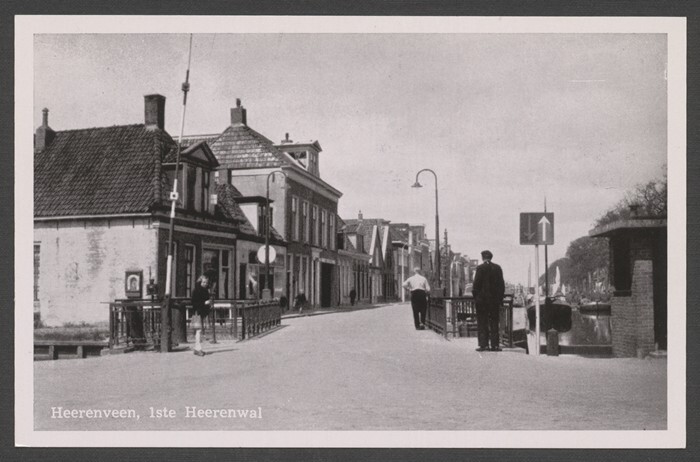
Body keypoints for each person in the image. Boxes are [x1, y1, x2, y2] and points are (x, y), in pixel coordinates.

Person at [472, 250, 505, 352]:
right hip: (494, 301)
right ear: (491, 257)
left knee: (482, 322)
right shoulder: (497, 268)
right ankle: (495, 345)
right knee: (494, 322)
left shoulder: (480, 268)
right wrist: (499, 299)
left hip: (482, 301)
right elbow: (501, 285)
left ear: (483, 258)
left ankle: (484, 345)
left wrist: (476, 297)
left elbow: (476, 285)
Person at [191, 275, 212, 357]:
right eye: (203, 282)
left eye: (206, 282)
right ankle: (198, 348)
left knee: (199, 331)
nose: (205, 284)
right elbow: (194, 302)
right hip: (198, 312)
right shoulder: (197, 291)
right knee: (198, 330)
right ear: (200, 282)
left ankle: (197, 348)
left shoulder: (205, 291)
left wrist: (208, 305)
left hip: (202, 312)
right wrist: (204, 303)